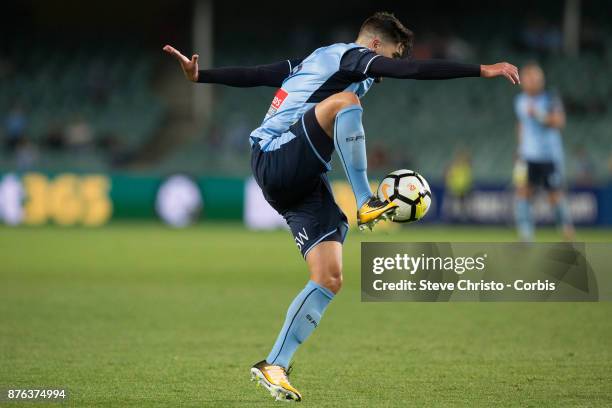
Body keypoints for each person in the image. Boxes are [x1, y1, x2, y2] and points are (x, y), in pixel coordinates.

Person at [164, 11, 518, 402]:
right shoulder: (353, 57)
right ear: (376, 46)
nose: (389, 69)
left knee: (329, 276)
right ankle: (365, 199)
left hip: (298, 182)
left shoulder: (314, 61)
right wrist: (484, 69)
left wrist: (202, 76)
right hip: (274, 155)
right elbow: (415, 72)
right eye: (392, 56)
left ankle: (274, 364)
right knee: (346, 102)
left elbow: (261, 73)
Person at [514, 62, 574, 242]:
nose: (531, 81)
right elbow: (521, 125)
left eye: (535, 78)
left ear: (541, 80)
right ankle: (526, 237)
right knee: (523, 193)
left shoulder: (550, 98)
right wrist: (519, 149)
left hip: (549, 156)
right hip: (527, 156)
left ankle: (567, 232)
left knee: (555, 196)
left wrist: (539, 115)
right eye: (528, 78)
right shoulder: (519, 101)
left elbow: (559, 122)